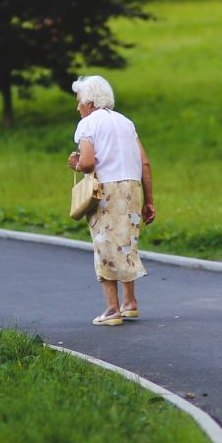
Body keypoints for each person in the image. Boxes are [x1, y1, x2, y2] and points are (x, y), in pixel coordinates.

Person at [66, 76, 156, 327]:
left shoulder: (87, 124)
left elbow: (88, 162)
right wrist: (149, 200)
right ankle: (130, 303)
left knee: (104, 246)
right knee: (126, 243)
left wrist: (75, 163)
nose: (77, 108)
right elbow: (145, 163)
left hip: (106, 191)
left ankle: (112, 309)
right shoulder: (126, 123)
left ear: (90, 102)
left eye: (79, 102)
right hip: (132, 188)